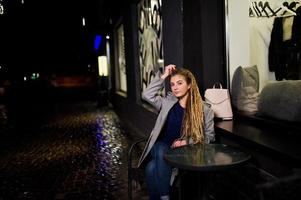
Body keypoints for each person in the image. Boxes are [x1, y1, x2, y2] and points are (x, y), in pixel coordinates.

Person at [137, 64, 215, 200]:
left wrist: (186, 142)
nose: (175, 87)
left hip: (183, 153)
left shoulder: (204, 110)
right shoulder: (167, 102)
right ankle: (165, 196)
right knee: (161, 149)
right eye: (172, 84)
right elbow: (146, 95)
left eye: (179, 83)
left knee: (151, 168)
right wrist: (164, 75)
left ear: (189, 85)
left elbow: (209, 137)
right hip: (160, 148)